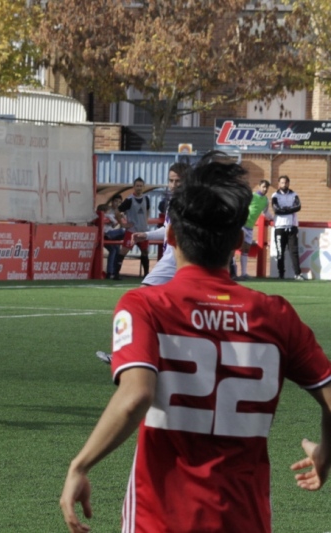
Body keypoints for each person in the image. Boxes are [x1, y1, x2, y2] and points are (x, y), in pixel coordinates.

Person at [61, 154, 331, 533]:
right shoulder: (276, 314)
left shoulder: (146, 305)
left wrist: (81, 464)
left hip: (160, 519)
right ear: (238, 242)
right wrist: (326, 450)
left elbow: (136, 395)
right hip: (244, 519)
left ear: (171, 237)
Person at [95, 162, 189, 364]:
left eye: (177, 181)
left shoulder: (191, 205)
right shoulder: (174, 203)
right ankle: (147, 354)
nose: (172, 185)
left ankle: (127, 356)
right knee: (160, 309)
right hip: (173, 260)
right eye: (170, 180)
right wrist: (145, 234)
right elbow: (168, 231)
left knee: (142, 303)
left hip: (179, 261)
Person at [113, 177, 151, 277]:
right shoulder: (129, 200)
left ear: (143, 187)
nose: (139, 188)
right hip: (132, 231)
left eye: (140, 186)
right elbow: (117, 212)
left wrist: (145, 222)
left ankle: (146, 274)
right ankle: (115, 274)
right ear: (134, 187)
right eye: (137, 186)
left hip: (143, 231)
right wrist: (122, 224)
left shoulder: (146, 198)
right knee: (124, 251)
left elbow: (147, 210)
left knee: (145, 251)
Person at [235, 179, 273, 280]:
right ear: (259, 186)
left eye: (267, 187)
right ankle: (232, 272)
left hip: (250, 228)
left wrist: (273, 218)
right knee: (237, 247)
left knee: (246, 249)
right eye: (263, 186)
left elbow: (265, 212)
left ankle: (243, 273)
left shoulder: (265, 200)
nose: (265, 189)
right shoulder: (251, 196)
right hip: (242, 225)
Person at [271, 175, 305, 280]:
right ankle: (281, 274)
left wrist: (284, 209)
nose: (284, 184)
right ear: (279, 184)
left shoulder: (294, 194)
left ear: (288, 183)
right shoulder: (275, 195)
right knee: (280, 252)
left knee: (294, 251)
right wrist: (290, 209)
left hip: (292, 227)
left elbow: (298, 207)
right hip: (279, 227)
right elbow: (276, 210)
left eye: (285, 182)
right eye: (282, 182)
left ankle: (297, 274)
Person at [94, 204, 125, 279]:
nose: (109, 212)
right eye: (108, 210)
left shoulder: (98, 216)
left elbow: (113, 224)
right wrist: (118, 219)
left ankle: (111, 273)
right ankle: (112, 272)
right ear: (104, 211)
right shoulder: (106, 215)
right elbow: (115, 222)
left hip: (105, 235)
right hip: (107, 234)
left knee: (114, 250)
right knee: (123, 230)